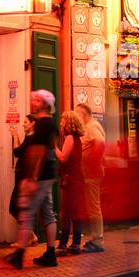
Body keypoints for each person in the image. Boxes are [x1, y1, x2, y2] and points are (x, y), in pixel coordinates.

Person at [5, 90, 59, 269]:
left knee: (26, 213)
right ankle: (50, 254)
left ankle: (19, 255)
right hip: (48, 175)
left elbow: (39, 152)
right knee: (47, 213)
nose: (33, 102)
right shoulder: (49, 123)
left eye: (37, 100)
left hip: (40, 177)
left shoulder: (43, 124)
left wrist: (32, 178)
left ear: (44, 103)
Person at [75, 103, 107, 253]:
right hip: (89, 173)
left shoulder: (91, 126)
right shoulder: (90, 126)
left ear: (83, 114)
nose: (76, 116)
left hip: (92, 173)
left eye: (77, 113)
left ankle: (98, 240)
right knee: (92, 206)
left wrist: (92, 162)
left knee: (93, 207)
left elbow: (100, 143)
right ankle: (96, 238)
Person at [56, 109, 88, 254]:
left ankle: (63, 244)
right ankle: (75, 243)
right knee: (75, 213)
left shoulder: (70, 138)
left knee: (66, 213)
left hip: (70, 180)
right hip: (77, 179)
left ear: (68, 122)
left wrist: (53, 147)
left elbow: (63, 158)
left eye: (62, 120)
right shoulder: (77, 139)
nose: (60, 122)